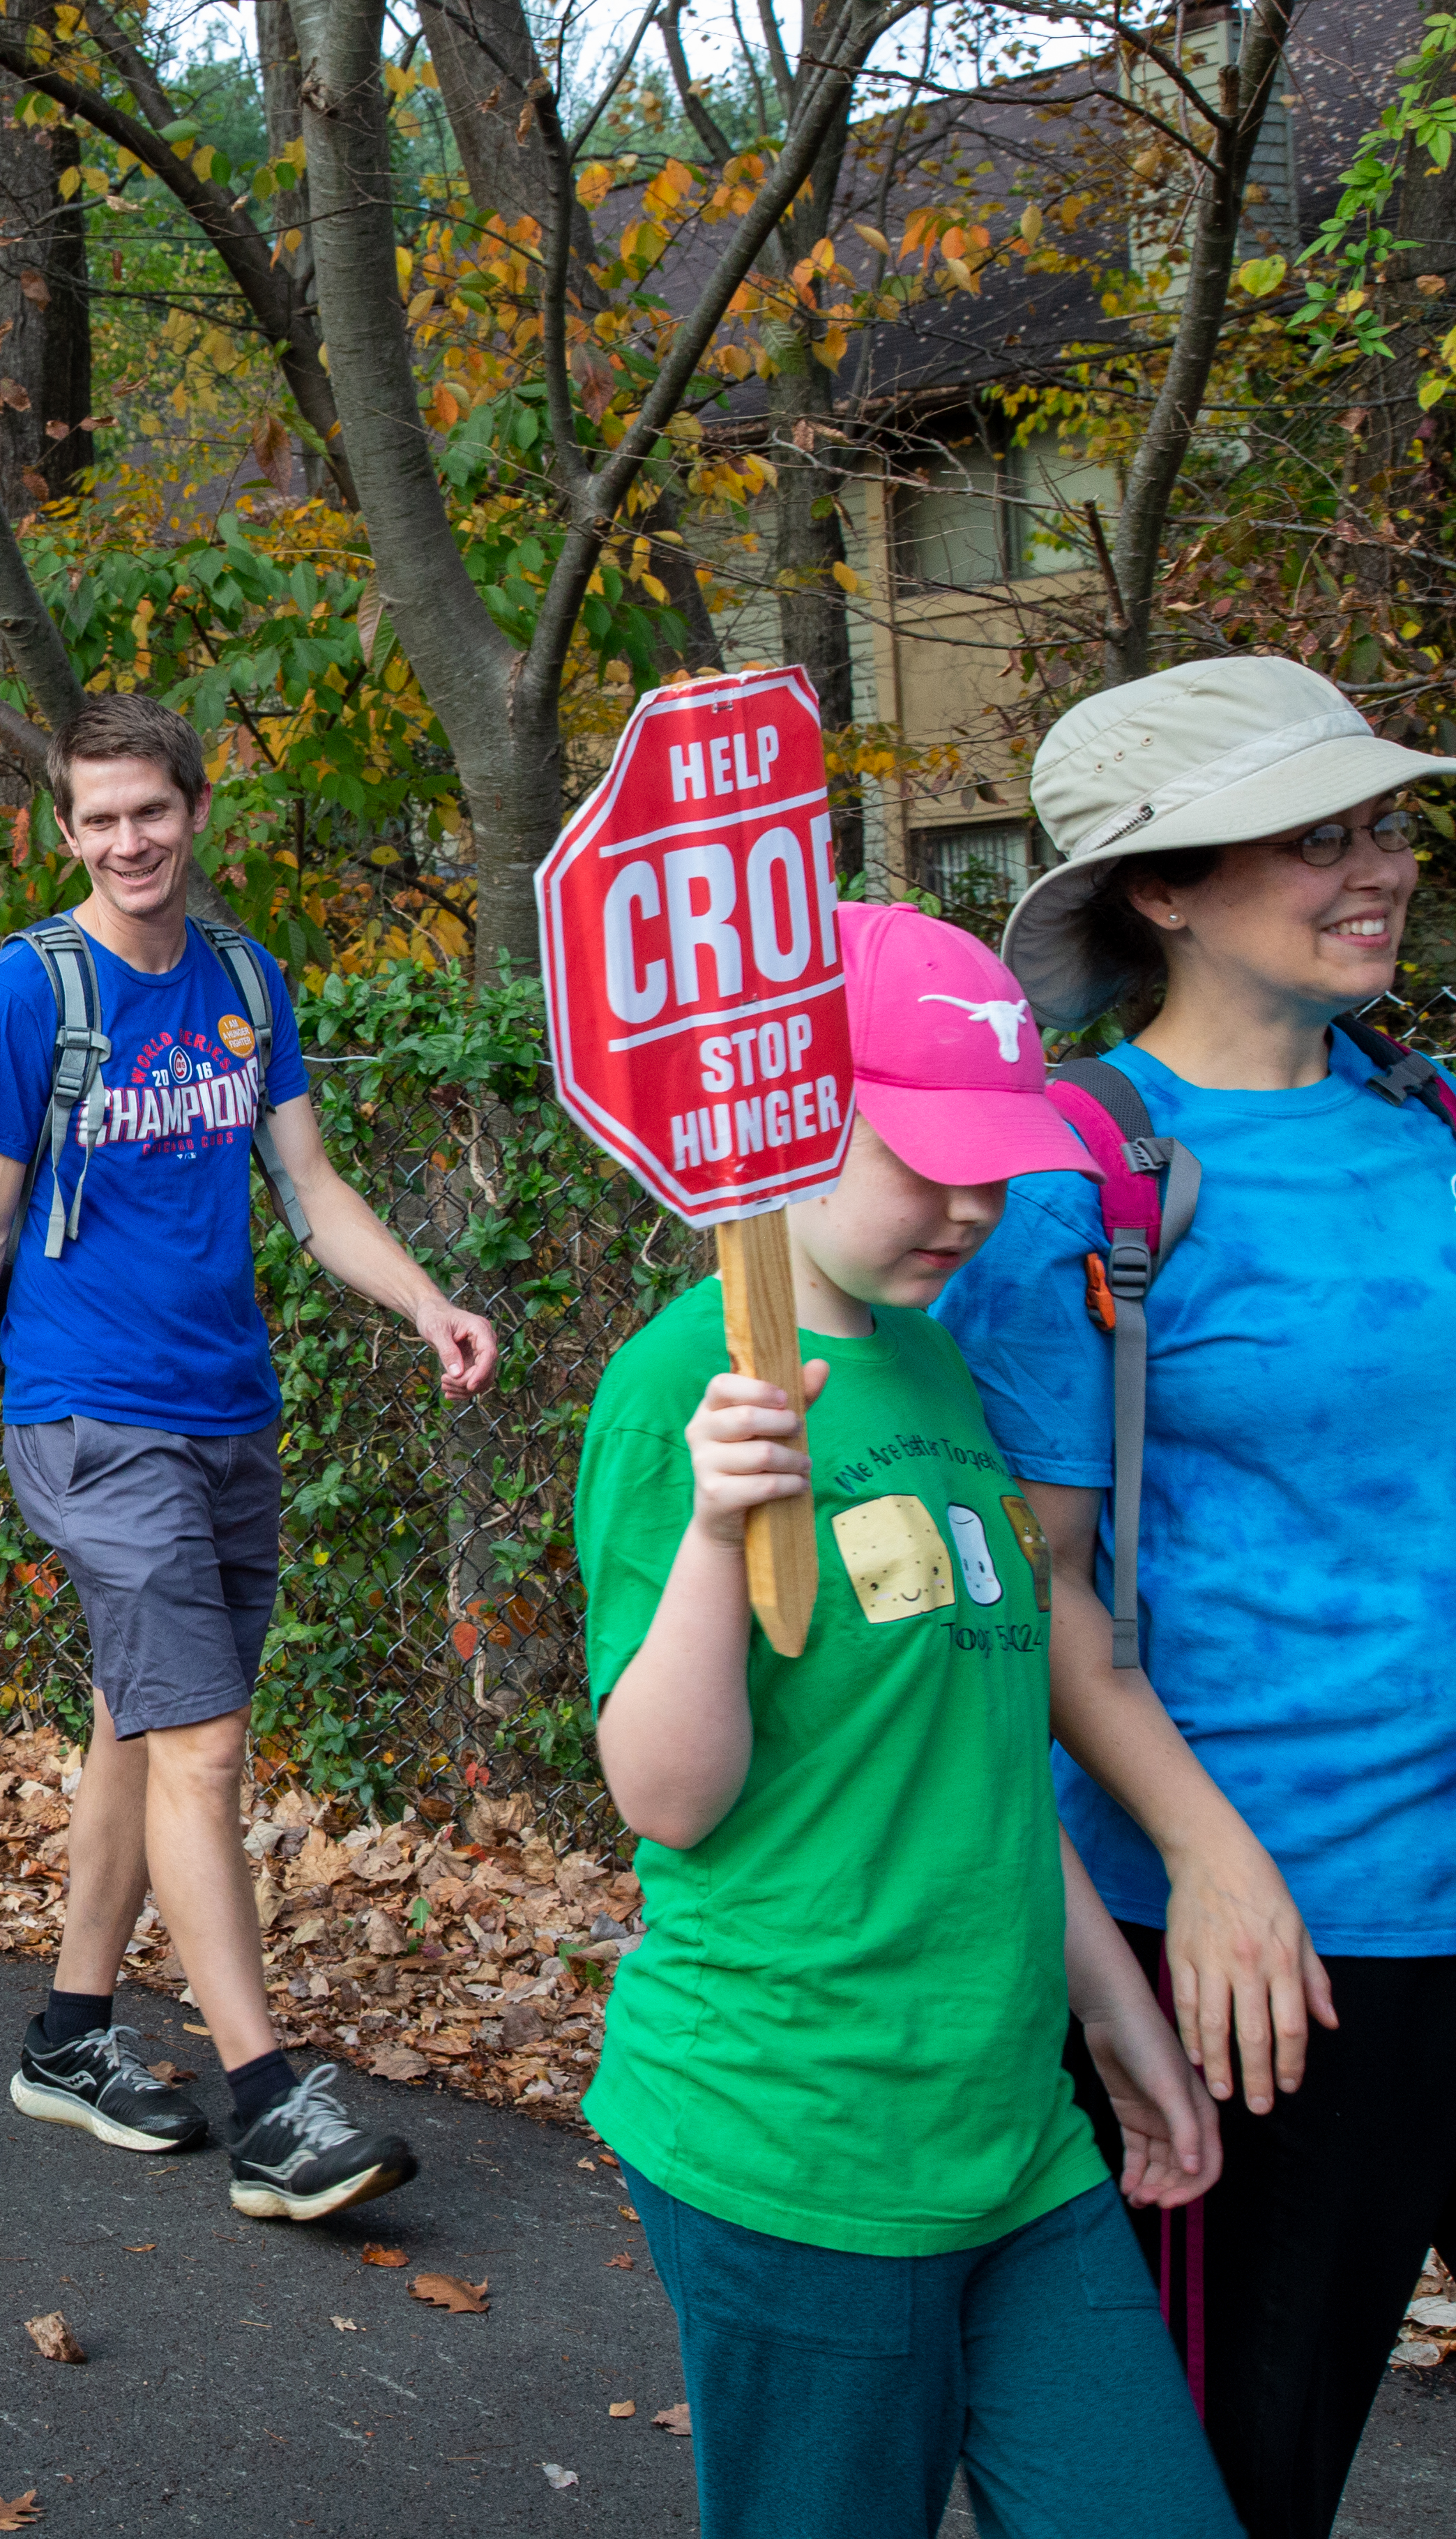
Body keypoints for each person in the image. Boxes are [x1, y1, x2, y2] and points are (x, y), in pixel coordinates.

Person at [575, 902, 1236, 2536]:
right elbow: (662, 1793)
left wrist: (1110, 2014)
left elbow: (976, 1757)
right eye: (920, 1153)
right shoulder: (684, 1382)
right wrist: (722, 1536)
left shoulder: (931, 1367)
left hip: (1010, 2132)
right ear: (792, 1107)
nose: (965, 1202)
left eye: (991, 1160)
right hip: (798, 2133)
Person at [932, 656, 1456, 2539]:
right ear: (1162, 888)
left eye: (1380, 822)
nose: (1375, 865)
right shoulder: (1085, 1181)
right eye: (1312, 838)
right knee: (1230, 2484)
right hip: (1257, 1941)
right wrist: (1215, 1863)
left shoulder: (1436, 1127)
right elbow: (1044, 1592)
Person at [0, 692, 498, 2223]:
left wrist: (425, 1299)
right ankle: (269, 2098)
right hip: (91, 1420)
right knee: (209, 1746)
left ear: (193, 810)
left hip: (231, 1409)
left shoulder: (242, 978)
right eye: (96, 819)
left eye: (148, 811)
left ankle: (72, 2037)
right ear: (68, 830)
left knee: (137, 1726)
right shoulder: (25, 994)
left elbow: (308, 1182)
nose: (126, 840)